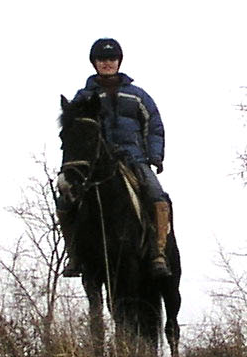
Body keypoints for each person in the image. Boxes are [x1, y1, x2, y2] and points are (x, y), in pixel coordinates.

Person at [70, 38, 174, 277]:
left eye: (111, 59)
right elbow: (73, 129)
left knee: (157, 195)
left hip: (134, 159)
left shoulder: (138, 95)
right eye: (102, 59)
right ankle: (75, 254)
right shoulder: (83, 96)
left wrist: (154, 156)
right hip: (96, 163)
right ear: (94, 63)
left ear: (119, 61)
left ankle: (158, 252)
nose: (107, 64)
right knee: (67, 200)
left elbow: (154, 125)